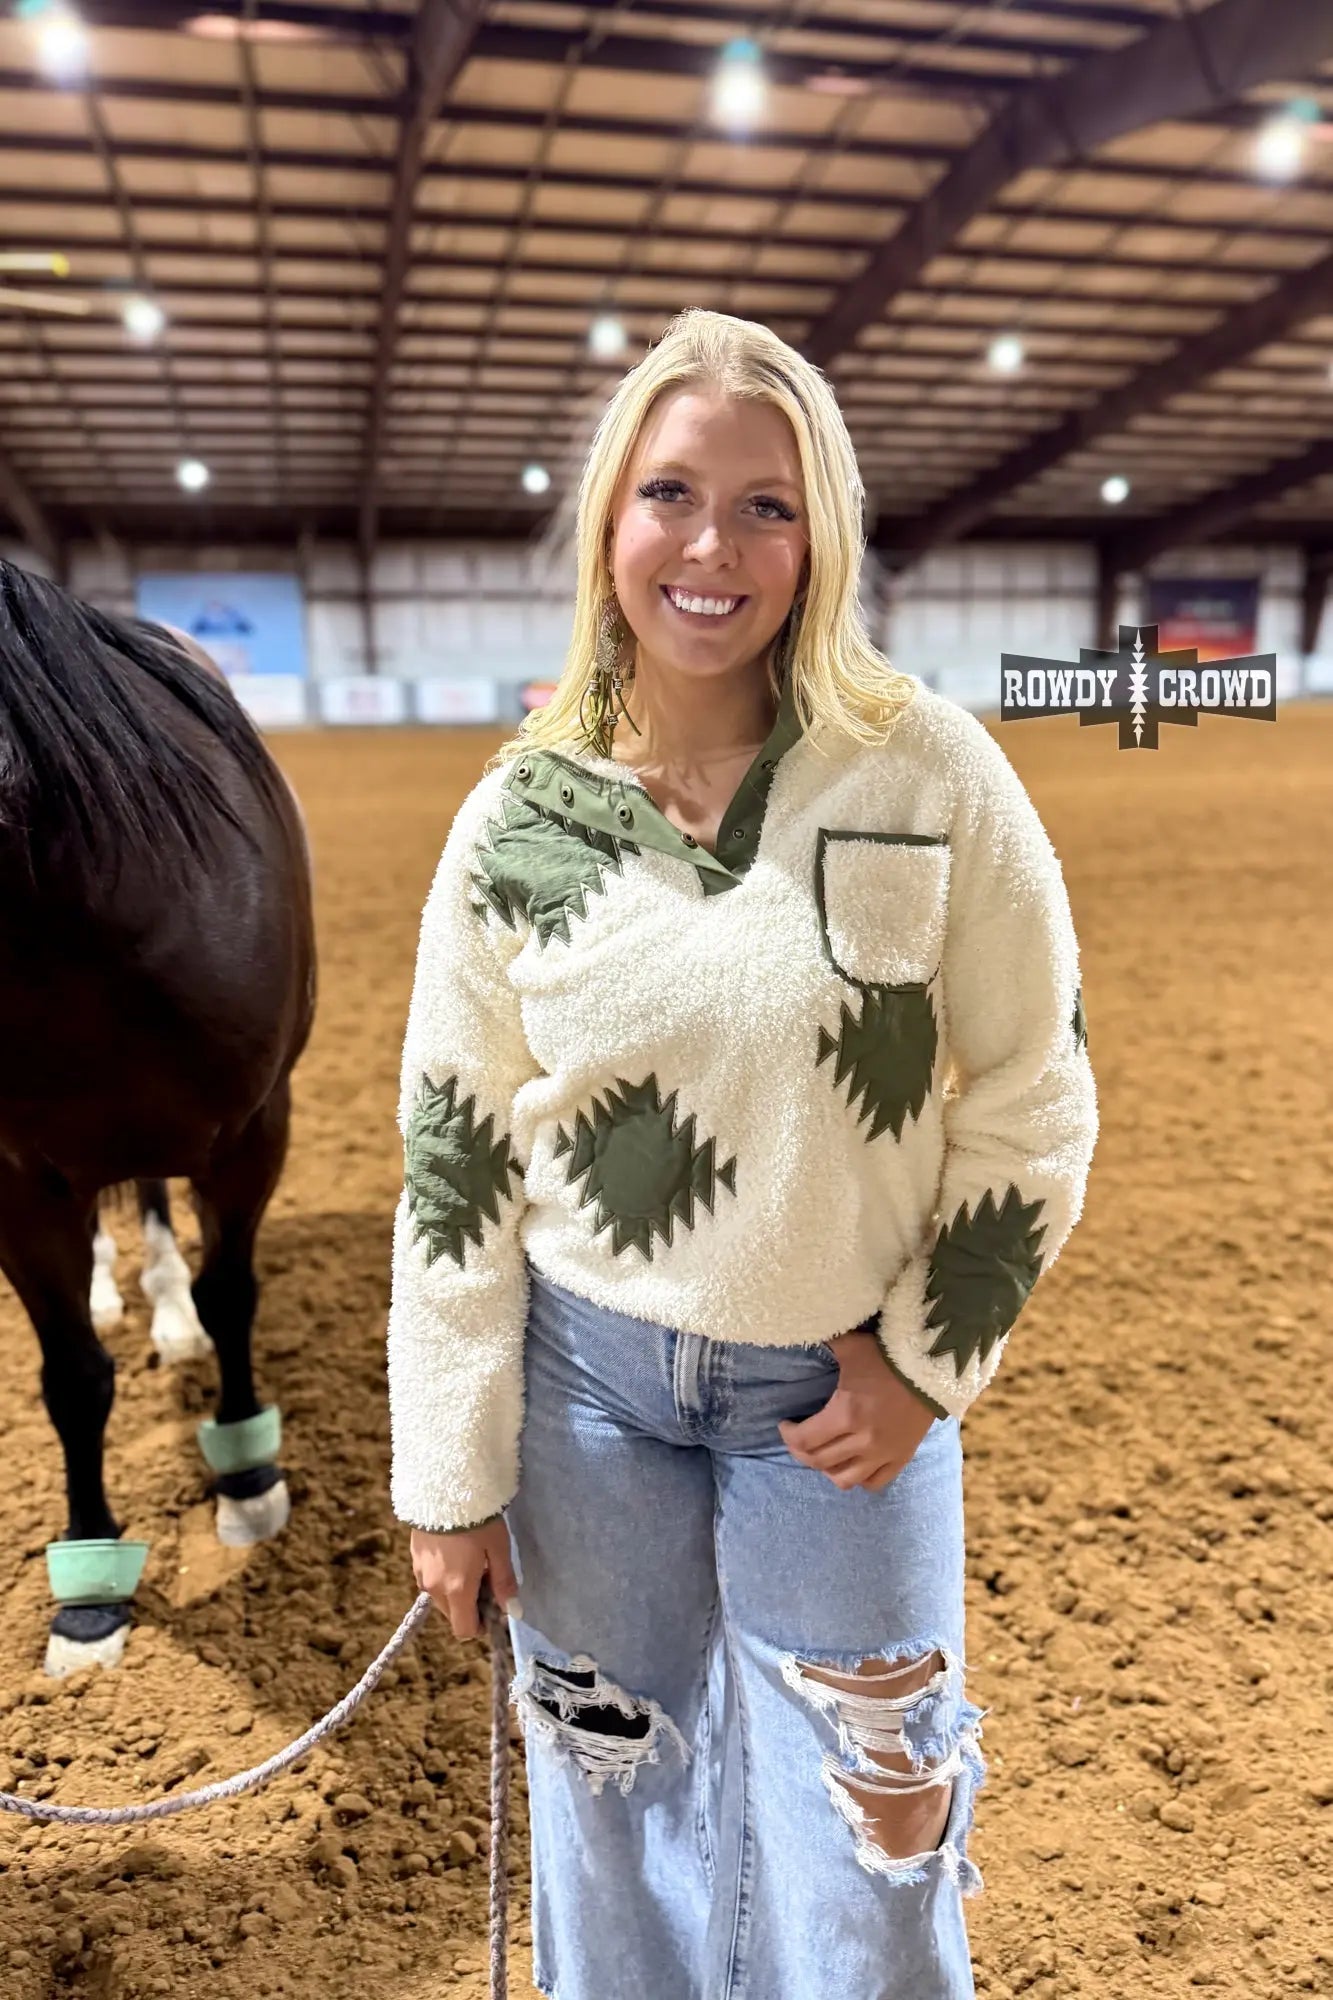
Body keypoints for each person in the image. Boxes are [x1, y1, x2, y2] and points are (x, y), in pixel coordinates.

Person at [385, 308, 1098, 2000]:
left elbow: (1034, 1085)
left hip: (838, 1412)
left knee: (878, 1819)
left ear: (821, 534)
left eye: (766, 506)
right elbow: (455, 1154)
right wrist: (450, 1473)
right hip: (581, 1398)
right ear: (610, 522)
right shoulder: (518, 814)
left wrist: (932, 1358)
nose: (712, 547)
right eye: (671, 494)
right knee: (610, 1806)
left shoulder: (929, 773)